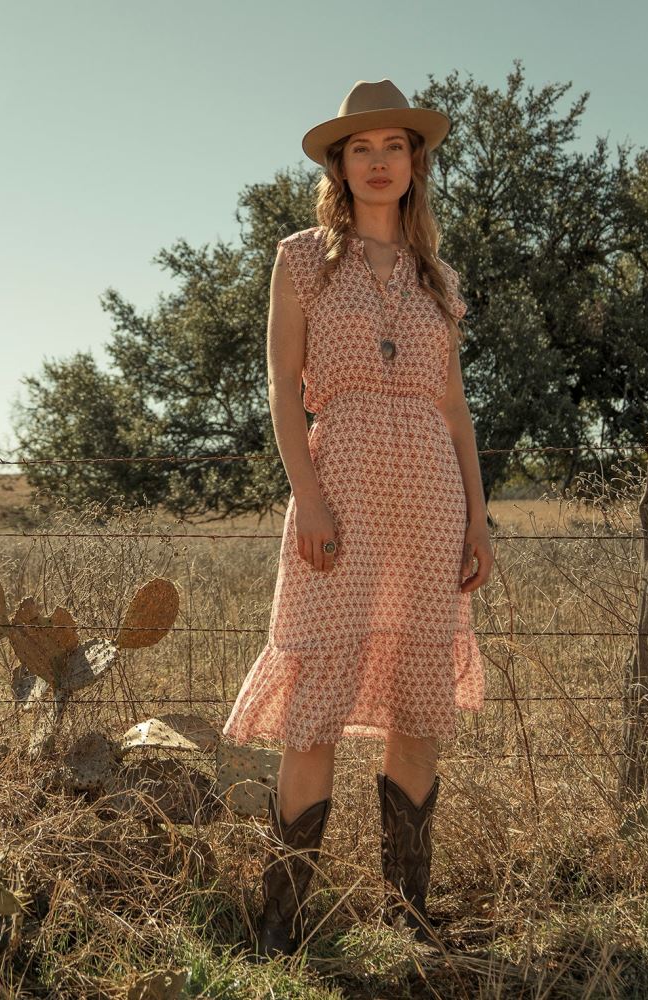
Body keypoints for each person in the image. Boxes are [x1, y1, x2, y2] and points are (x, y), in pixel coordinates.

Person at [221, 78, 493, 960]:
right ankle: (278, 929)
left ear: (416, 165)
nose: (380, 163)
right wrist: (307, 493)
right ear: (341, 165)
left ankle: (405, 926)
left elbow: (455, 410)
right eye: (362, 149)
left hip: (429, 509)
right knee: (315, 711)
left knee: (418, 713)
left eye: (395, 148)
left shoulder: (437, 279)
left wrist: (478, 521)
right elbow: (281, 387)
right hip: (337, 498)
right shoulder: (302, 259)